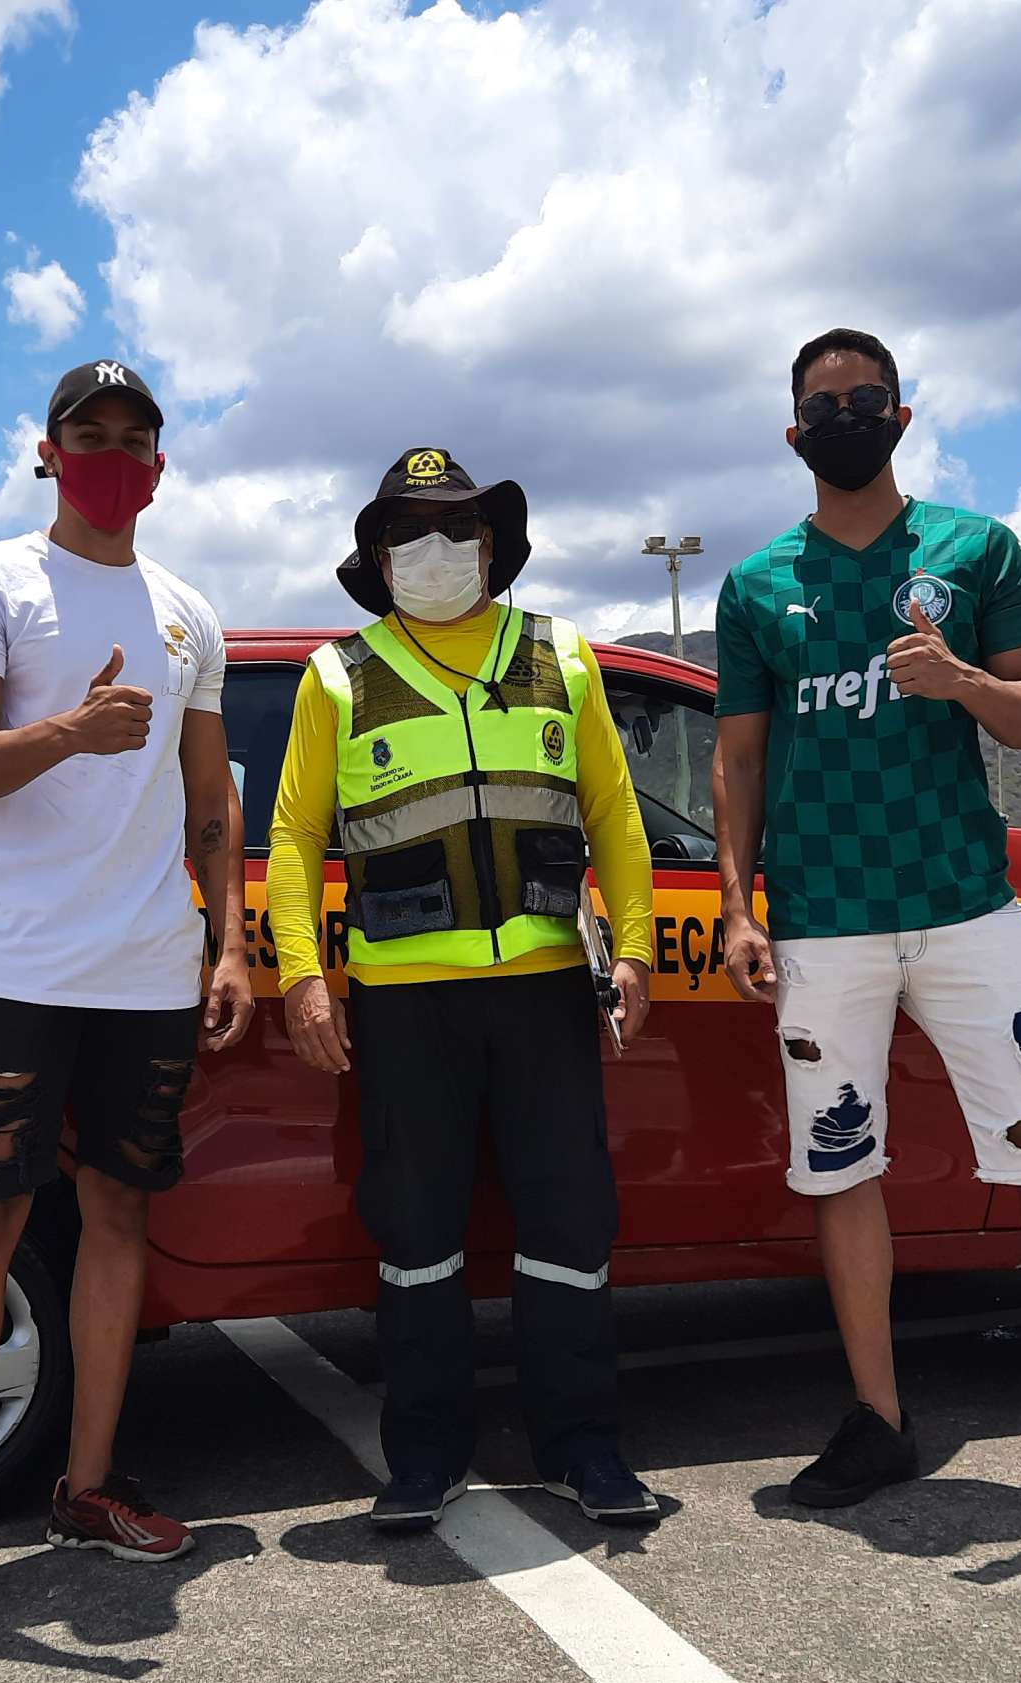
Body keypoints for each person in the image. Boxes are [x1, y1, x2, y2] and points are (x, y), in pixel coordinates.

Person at [713, 329, 1021, 1525]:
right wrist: (738, 908)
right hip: (825, 924)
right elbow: (738, 762)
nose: (845, 415)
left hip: (968, 915)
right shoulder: (752, 587)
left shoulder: (974, 550)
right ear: (794, 434)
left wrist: (964, 685)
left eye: (865, 397)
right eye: (822, 403)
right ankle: (879, 1421)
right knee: (841, 1173)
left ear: (900, 412)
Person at [0, 358, 256, 1633]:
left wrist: (233, 947)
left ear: (159, 461)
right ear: (46, 452)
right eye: (84, 433)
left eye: (132, 436)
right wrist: (66, 735)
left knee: (119, 1226)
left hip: (149, 973)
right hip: (23, 971)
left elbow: (213, 803)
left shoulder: (190, 612)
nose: (109, 454)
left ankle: (87, 1490)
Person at [268, 447, 663, 1529]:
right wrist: (304, 978)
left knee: (569, 1227)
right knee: (415, 1234)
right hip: (403, 1005)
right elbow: (296, 835)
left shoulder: (562, 656)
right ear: (377, 556)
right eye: (408, 533)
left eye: (455, 530)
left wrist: (631, 949)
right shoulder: (337, 675)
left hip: (543, 992)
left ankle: (584, 1449)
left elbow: (616, 815)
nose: (434, 550)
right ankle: (423, 1458)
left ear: (492, 547)